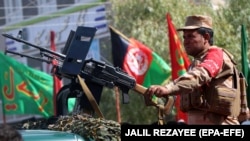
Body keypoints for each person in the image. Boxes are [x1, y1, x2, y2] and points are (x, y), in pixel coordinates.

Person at [144, 15, 242, 125]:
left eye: (191, 36)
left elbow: (200, 75)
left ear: (206, 37)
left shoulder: (215, 55)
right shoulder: (195, 63)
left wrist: (168, 88)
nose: (185, 41)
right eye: (184, 37)